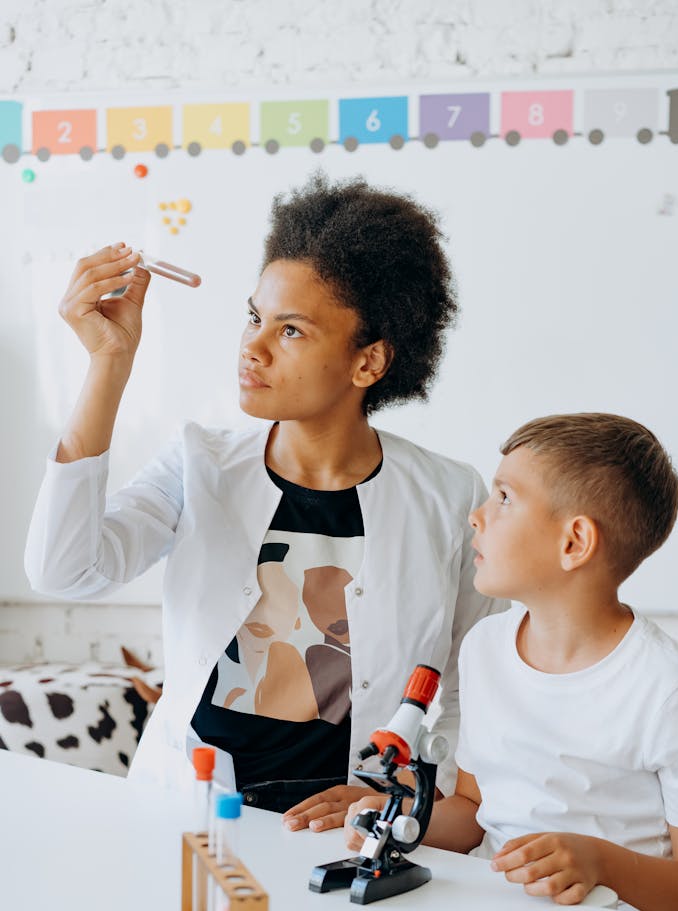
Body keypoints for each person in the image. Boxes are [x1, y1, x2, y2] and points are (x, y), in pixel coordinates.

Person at [25, 172, 501, 830]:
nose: (252, 347)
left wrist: (408, 808)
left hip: (348, 833)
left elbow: (472, 686)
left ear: (369, 362)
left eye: (292, 331)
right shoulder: (200, 463)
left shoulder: (450, 497)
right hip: (188, 814)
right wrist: (109, 364)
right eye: (255, 317)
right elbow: (64, 570)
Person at [345, 412, 678, 911]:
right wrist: (397, 814)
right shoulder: (484, 649)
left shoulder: (671, 689)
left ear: (574, 543)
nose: (477, 516)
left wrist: (601, 863)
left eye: (505, 498)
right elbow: (476, 812)